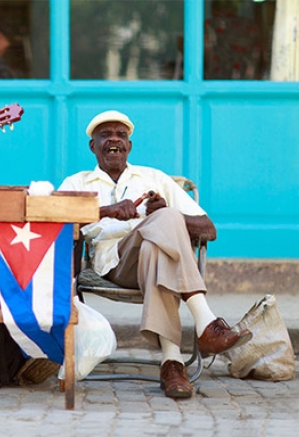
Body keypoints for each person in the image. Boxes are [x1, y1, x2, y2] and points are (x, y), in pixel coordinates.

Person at [58, 110, 252, 399]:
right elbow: (56, 221)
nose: (114, 139)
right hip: (113, 265)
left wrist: (165, 216)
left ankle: (172, 364)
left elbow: (208, 229)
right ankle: (206, 323)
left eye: (121, 135)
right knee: (166, 223)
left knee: (161, 238)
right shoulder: (77, 182)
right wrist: (107, 211)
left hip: (155, 261)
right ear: (93, 146)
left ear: (129, 146)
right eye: (106, 135)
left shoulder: (154, 178)